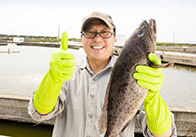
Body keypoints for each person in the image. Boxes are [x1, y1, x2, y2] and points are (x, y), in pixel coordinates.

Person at [28, 11, 177, 137]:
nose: (97, 38)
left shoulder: (140, 76)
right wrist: (52, 80)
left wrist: (152, 98)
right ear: (81, 38)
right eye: (90, 33)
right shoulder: (65, 73)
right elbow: (38, 113)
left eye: (105, 32)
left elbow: (163, 135)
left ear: (114, 37)